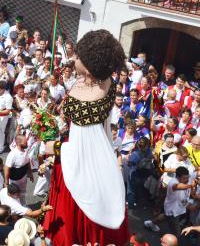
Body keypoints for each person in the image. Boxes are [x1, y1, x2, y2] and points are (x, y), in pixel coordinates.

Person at [42, 29, 128, 246]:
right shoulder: (107, 81)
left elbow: (84, 150)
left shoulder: (85, 100)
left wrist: (55, 147)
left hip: (76, 163)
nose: (74, 59)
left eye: (78, 57)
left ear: (89, 65)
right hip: (98, 158)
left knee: (75, 210)